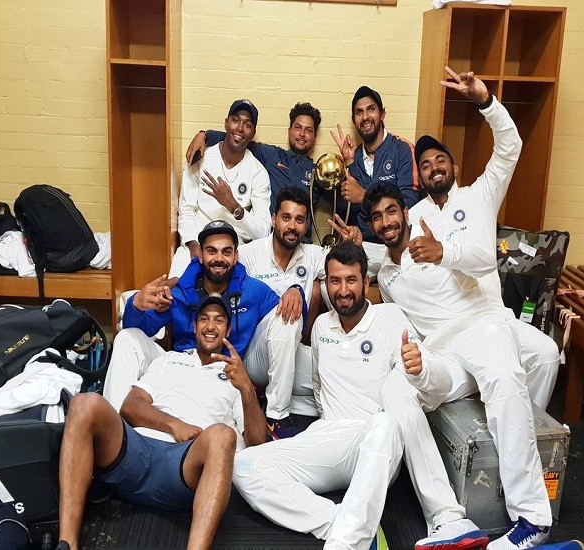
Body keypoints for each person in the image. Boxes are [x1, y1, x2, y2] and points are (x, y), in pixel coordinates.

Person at [367, 66, 553, 549]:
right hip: (444, 351)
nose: (433, 167)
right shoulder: (410, 225)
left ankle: (532, 514)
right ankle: (447, 516)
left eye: (440, 160)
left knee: (523, 366)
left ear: (452, 165)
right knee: (396, 388)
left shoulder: (477, 196)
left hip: (483, 322)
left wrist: (485, 101)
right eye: (425, 164)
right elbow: (382, 240)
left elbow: (484, 255)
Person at [233, 242, 466, 550]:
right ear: (326, 284)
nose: (343, 290)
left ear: (366, 283)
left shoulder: (390, 321)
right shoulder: (321, 326)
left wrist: (422, 369)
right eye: (335, 281)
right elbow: (318, 387)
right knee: (244, 465)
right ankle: (341, 521)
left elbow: (440, 385)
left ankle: (346, 542)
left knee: (385, 423)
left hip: (375, 444)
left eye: (351, 280)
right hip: (327, 437)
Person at [56, 296, 268, 550]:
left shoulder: (235, 377)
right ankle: (67, 543)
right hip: (136, 453)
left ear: (228, 330)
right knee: (84, 403)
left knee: (223, 436)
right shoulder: (169, 360)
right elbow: (131, 406)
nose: (210, 326)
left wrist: (246, 389)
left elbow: (257, 440)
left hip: (182, 467)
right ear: (194, 327)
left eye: (219, 321)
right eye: (204, 319)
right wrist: (173, 424)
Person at [106, 220, 304, 439]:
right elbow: (137, 330)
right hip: (182, 363)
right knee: (126, 338)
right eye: (211, 251)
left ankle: (277, 416)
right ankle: (111, 432)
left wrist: (296, 291)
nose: (219, 258)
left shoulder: (251, 290)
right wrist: (135, 306)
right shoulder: (180, 293)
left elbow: (286, 312)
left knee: (287, 318)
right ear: (200, 255)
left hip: (232, 365)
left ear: (235, 256)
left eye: (226, 252)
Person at [237, 187, 328, 416]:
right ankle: (276, 415)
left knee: (333, 373)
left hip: (293, 350)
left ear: (306, 225)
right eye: (286, 218)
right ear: (274, 219)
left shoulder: (313, 255)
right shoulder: (250, 254)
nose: (292, 226)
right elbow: (213, 268)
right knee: (287, 316)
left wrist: (354, 245)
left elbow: (346, 267)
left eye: (299, 220)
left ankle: (329, 423)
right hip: (255, 355)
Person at [172, 99, 271, 277]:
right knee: (175, 287)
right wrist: (193, 245)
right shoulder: (201, 157)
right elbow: (186, 209)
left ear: (253, 133)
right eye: (235, 120)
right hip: (198, 242)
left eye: (247, 124)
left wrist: (234, 207)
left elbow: (263, 231)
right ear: (226, 123)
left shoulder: (258, 173)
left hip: (235, 250)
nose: (240, 128)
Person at [186, 102, 323, 226]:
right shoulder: (271, 155)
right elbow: (236, 138)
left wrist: (341, 161)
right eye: (297, 128)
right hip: (272, 238)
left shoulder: (320, 173)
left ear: (315, 136)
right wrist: (204, 135)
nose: (302, 134)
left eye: (308, 130)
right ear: (289, 130)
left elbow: (336, 203)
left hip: (303, 240)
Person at [330, 85, 419, 273]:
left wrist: (364, 196)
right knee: (329, 280)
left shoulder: (402, 149)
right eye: (359, 112)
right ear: (354, 120)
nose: (365, 117)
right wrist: (349, 163)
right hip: (363, 247)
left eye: (371, 109)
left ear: (382, 114)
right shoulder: (353, 157)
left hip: (397, 245)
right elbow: (350, 214)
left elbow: (410, 203)